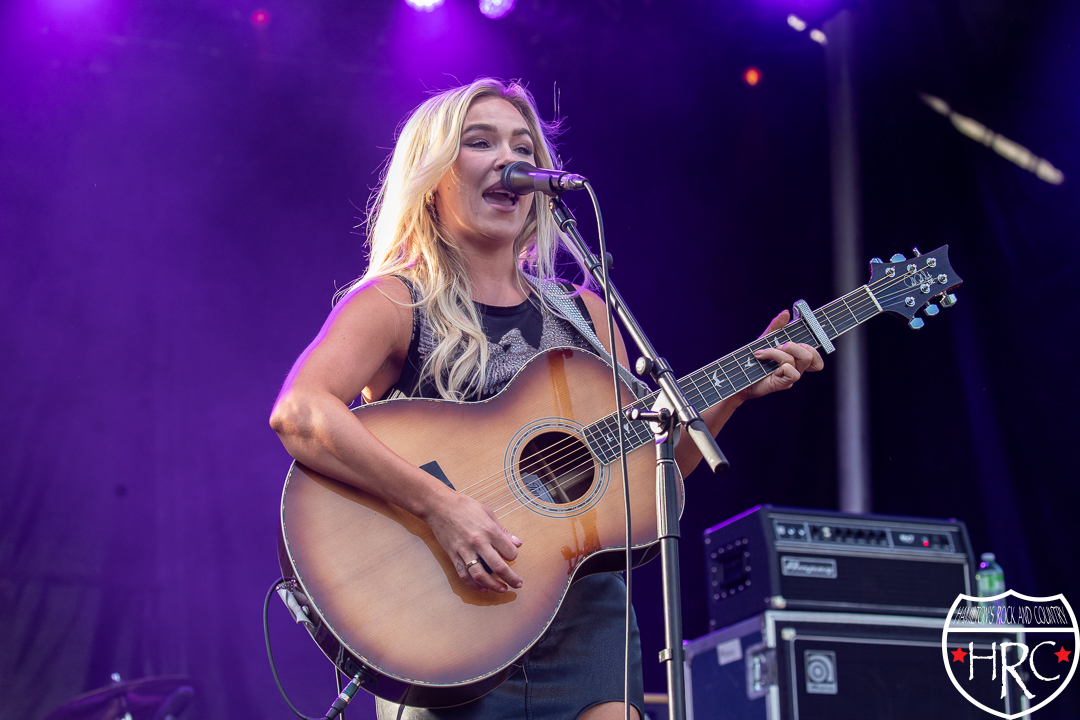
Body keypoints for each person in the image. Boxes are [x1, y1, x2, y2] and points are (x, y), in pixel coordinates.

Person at [269, 77, 823, 720]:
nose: (509, 159)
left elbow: (646, 473)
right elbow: (300, 412)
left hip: (586, 622)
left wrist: (736, 393)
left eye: (523, 146)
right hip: (447, 618)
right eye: (480, 142)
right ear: (434, 175)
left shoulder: (588, 313)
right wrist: (442, 506)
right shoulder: (395, 300)